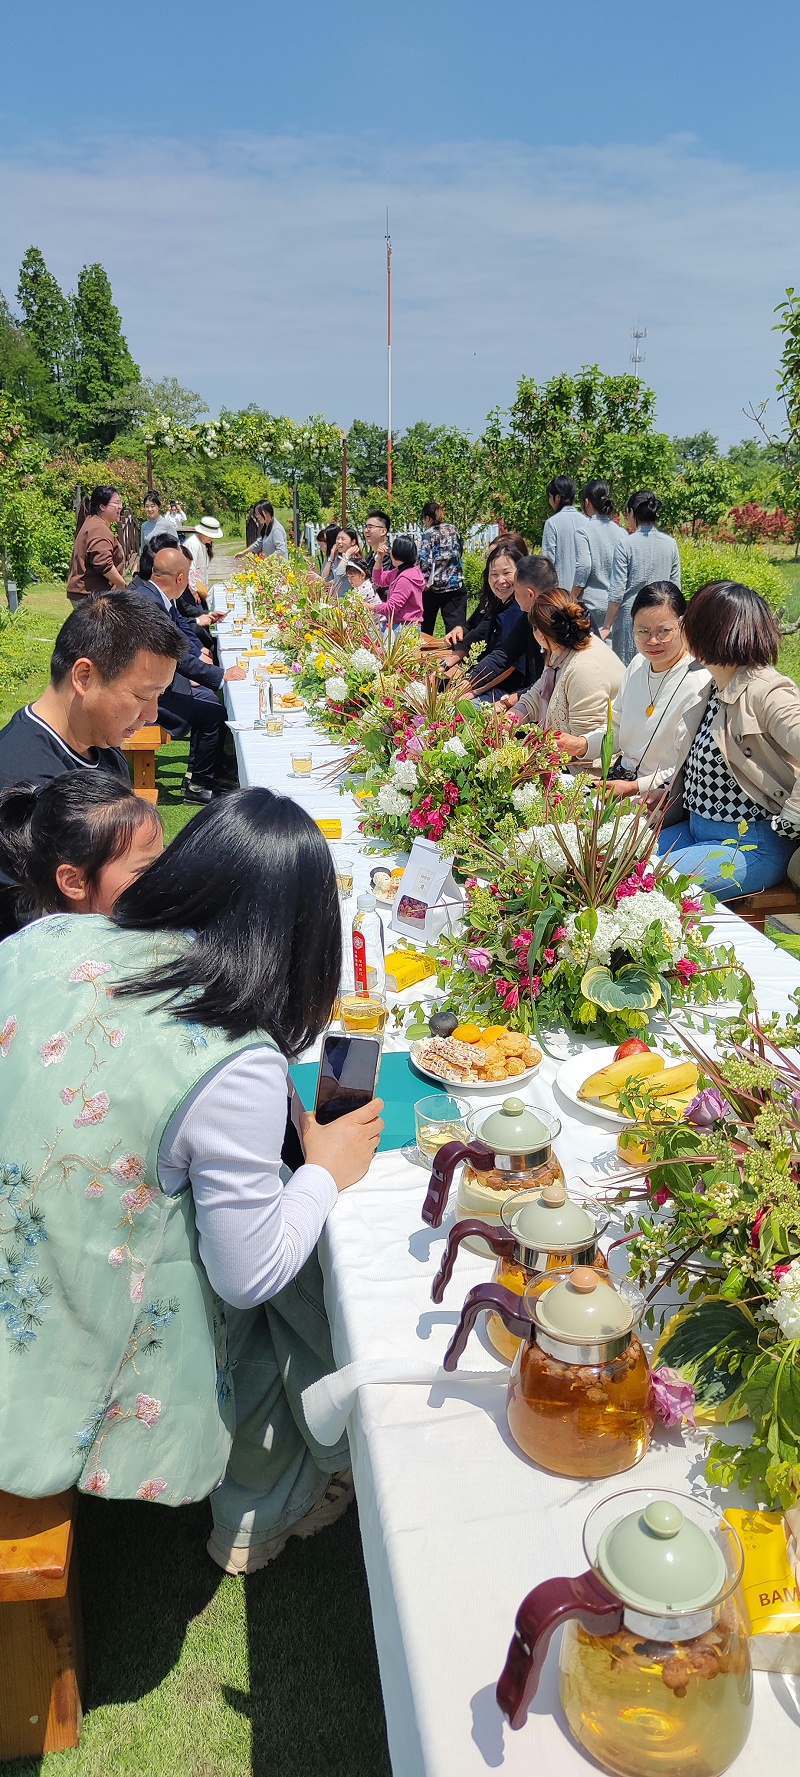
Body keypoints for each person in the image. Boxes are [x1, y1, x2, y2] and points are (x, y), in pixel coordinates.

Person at [0, 788, 384, 1576]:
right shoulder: (231, 1051)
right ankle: (263, 1499)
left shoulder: (47, 936)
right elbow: (247, 1275)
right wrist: (322, 1174)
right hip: (58, 1334)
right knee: (295, 1267)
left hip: (27, 1243)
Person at [0, 591, 182, 937]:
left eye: (160, 696)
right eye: (143, 696)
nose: (152, 715)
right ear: (83, 677)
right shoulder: (19, 783)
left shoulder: (101, 745)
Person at [654, 581, 800, 899]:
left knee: (645, 886)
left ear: (710, 630)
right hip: (694, 830)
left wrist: (793, 818)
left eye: (689, 619)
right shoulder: (711, 689)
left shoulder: (766, 690)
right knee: (612, 862)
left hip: (750, 845)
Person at [558, 584, 710, 796]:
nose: (653, 640)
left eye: (664, 631)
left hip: (658, 793)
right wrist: (581, 744)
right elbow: (616, 727)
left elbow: (684, 765)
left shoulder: (699, 681)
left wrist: (634, 787)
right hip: (619, 779)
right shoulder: (638, 664)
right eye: (643, 631)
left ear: (683, 626)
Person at [129, 539, 246, 804]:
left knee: (210, 701)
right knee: (212, 711)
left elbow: (181, 633)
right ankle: (198, 785)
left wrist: (201, 662)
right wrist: (218, 675)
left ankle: (207, 773)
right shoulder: (149, 604)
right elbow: (175, 655)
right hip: (147, 693)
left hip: (159, 682)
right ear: (180, 578)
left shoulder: (158, 595)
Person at [0, 772, 163, 923]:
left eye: (163, 857)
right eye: (144, 868)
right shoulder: (55, 952)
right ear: (74, 883)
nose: (167, 871)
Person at [506, 586, 623, 738]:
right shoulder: (561, 647)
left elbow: (583, 743)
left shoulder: (585, 670)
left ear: (541, 634)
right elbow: (538, 693)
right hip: (560, 752)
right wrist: (509, 720)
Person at [443, 542, 529, 699]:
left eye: (507, 573)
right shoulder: (498, 604)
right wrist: (447, 665)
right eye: (494, 574)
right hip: (485, 679)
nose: (500, 581)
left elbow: (508, 664)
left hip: (510, 690)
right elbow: (476, 635)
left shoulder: (519, 610)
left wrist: (473, 690)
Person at [603, 491, 681, 666]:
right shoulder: (671, 544)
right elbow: (676, 588)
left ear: (631, 513)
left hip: (632, 619)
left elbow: (616, 592)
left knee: (629, 670)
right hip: (663, 618)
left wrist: (607, 626)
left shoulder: (626, 545)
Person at [579, 480, 628, 633]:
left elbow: (584, 566)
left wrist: (570, 597)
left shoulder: (584, 531)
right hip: (616, 603)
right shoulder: (622, 532)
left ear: (587, 502)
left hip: (592, 603)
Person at [66, 486, 127, 606]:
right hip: (90, 597)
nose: (120, 506)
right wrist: (121, 585)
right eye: (116, 503)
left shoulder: (94, 523)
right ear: (102, 506)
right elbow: (103, 563)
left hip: (89, 595)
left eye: (120, 502)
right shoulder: (98, 529)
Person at [419, 501, 466, 637]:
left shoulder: (428, 534)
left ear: (427, 518)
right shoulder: (453, 529)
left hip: (434, 587)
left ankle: (425, 656)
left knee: (425, 628)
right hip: (454, 584)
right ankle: (457, 656)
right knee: (455, 629)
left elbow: (425, 560)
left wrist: (425, 581)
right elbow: (459, 550)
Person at [541, 477, 591, 600]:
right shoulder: (587, 521)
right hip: (585, 594)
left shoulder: (552, 523)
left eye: (550, 497)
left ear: (557, 497)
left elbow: (548, 562)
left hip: (561, 594)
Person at [511, 552, 557, 685]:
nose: (514, 597)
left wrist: (508, 701)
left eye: (516, 592)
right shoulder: (527, 616)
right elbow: (504, 653)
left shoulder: (562, 624)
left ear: (530, 594)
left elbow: (552, 684)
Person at [371, 535, 425, 625]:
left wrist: (370, 607)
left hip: (404, 628)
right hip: (401, 625)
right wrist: (379, 559)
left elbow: (391, 608)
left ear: (397, 553)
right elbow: (378, 579)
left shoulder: (405, 578)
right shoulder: (402, 570)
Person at [185, 516, 223, 596]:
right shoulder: (193, 543)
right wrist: (194, 591)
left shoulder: (204, 544)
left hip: (200, 588)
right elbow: (190, 569)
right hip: (191, 590)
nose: (212, 539)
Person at [321, 528, 361, 596]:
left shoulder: (355, 560)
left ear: (353, 542)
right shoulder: (339, 558)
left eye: (343, 539)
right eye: (337, 538)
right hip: (336, 600)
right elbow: (324, 577)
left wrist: (347, 555)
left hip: (347, 601)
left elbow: (339, 574)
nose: (339, 542)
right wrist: (331, 557)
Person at [363, 508, 392, 584]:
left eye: (370, 527)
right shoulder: (370, 556)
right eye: (366, 527)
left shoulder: (390, 556)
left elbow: (379, 584)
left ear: (383, 531)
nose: (366, 531)